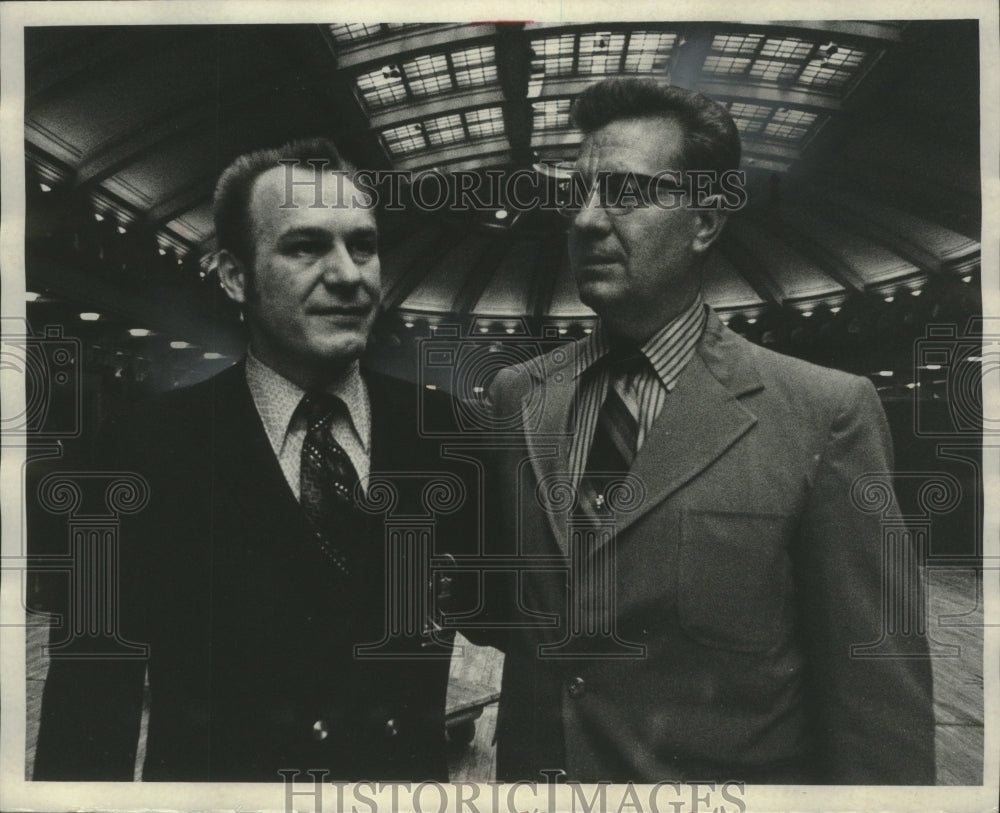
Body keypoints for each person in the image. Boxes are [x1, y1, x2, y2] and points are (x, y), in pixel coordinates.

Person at [482, 78, 936, 784]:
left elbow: (877, 705)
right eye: (578, 193)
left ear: (704, 221)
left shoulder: (825, 410)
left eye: (626, 193)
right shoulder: (521, 396)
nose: (586, 220)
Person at [33, 138, 472, 781]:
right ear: (237, 276)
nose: (349, 274)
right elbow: (91, 699)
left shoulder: (446, 432)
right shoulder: (142, 447)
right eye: (305, 246)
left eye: (364, 244)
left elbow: (522, 625)